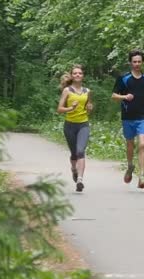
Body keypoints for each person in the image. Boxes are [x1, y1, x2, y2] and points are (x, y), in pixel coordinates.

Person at [111, 50, 144, 188]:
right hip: (127, 117)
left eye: (139, 61)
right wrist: (124, 97)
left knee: (143, 144)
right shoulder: (123, 78)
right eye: (134, 61)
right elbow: (113, 95)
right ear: (130, 62)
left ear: (142, 62)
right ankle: (130, 165)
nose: (137, 64)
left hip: (142, 117)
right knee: (130, 144)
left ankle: (142, 176)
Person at [57, 64, 94, 192]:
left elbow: (88, 107)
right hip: (70, 125)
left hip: (83, 124)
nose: (78, 75)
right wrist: (70, 108)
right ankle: (74, 169)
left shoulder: (87, 91)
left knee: (80, 151)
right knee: (74, 153)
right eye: (75, 73)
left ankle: (80, 180)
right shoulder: (67, 91)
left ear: (83, 76)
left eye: (80, 73)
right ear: (72, 76)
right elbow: (59, 109)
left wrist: (90, 108)